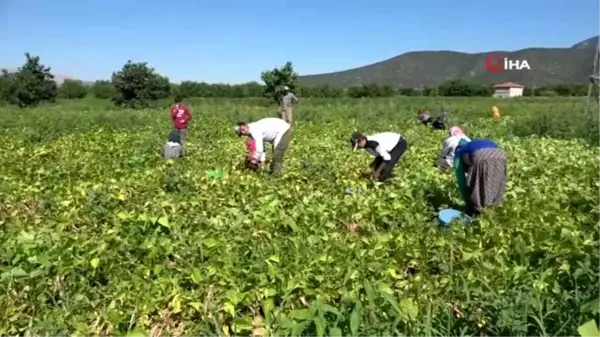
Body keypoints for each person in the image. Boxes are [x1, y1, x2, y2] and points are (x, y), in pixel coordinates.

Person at [454, 138, 507, 215]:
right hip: (501, 155)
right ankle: (495, 208)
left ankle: (478, 211)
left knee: (477, 185)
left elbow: (461, 179)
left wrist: (467, 201)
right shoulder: (473, 144)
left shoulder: (459, 153)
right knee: (497, 183)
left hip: (481, 155)